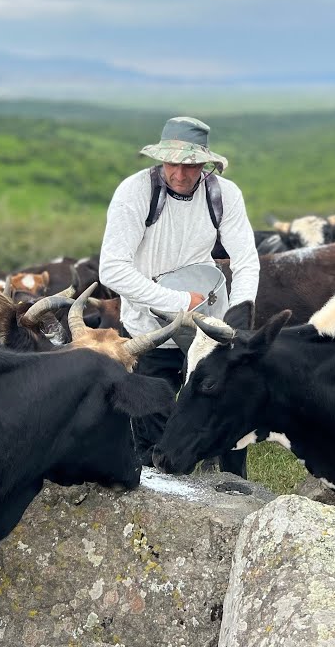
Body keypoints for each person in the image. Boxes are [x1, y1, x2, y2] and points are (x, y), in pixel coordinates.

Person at [99, 116, 261, 477]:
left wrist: (237, 316)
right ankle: (160, 502)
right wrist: (177, 302)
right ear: (161, 159)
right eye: (173, 163)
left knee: (219, 415)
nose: (181, 173)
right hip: (147, 329)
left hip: (205, 328)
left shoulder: (223, 194)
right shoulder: (136, 192)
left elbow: (247, 260)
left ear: (204, 164)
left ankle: (235, 490)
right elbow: (111, 269)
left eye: (190, 165)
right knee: (154, 429)